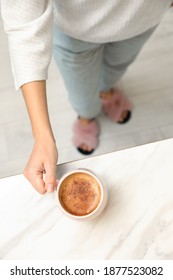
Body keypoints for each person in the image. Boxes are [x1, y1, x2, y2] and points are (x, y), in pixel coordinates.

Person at [1, 1, 172, 194]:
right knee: (81, 89)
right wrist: (42, 137)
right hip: (75, 31)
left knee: (116, 69)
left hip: (143, 21)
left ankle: (106, 92)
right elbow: (23, 24)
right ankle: (86, 116)